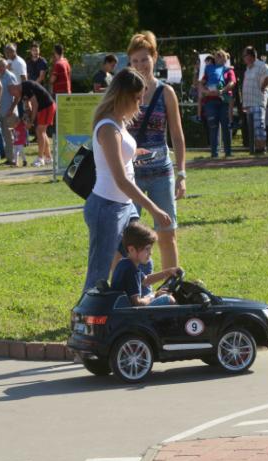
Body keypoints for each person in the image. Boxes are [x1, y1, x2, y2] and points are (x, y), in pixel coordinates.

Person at [83, 67, 171, 292]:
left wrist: (133, 155)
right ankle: (85, 320)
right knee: (99, 272)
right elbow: (120, 180)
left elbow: (119, 159)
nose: (140, 103)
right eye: (137, 97)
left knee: (143, 256)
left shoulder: (119, 122)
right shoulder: (107, 128)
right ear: (124, 96)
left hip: (125, 206)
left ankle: (143, 306)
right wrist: (154, 209)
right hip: (107, 207)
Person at [126, 31, 187, 271]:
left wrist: (181, 174)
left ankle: (170, 285)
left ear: (155, 57)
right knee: (130, 238)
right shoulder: (125, 92)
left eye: (144, 59)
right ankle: (137, 289)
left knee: (167, 233)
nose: (140, 65)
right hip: (132, 176)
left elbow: (177, 135)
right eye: (135, 61)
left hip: (162, 172)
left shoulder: (166, 93)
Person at [112, 222, 180, 306]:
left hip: (124, 309)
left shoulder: (124, 263)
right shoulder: (131, 270)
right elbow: (137, 303)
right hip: (132, 314)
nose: (150, 253)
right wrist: (154, 296)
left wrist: (168, 272)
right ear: (131, 249)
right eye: (147, 249)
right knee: (169, 299)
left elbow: (146, 280)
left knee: (158, 295)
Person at [201, 50, 236, 158]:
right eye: (217, 55)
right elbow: (201, 83)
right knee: (213, 127)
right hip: (210, 101)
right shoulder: (208, 69)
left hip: (224, 101)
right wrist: (206, 92)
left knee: (226, 126)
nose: (218, 57)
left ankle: (228, 152)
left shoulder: (229, 70)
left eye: (221, 56)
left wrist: (223, 90)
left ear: (225, 59)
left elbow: (232, 82)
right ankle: (214, 153)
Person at [241, 46, 268, 154]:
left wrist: (263, 86)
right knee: (253, 128)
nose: (243, 58)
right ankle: (256, 148)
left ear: (251, 56)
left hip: (257, 101)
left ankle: (262, 148)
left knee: (259, 126)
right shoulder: (248, 68)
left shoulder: (261, 65)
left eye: (245, 55)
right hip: (249, 103)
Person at [20, 80, 55, 166]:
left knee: (40, 131)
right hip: (45, 107)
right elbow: (28, 106)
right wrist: (28, 118)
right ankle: (49, 158)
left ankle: (40, 158)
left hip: (46, 106)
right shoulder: (23, 90)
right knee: (42, 132)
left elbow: (34, 104)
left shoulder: (25, 88)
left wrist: (31, 121)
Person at [0, 58, 20, 165]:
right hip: (1, 111)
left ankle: (13, 159)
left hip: (9, 112)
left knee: (10, 137)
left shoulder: (10, 76)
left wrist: (11, 109)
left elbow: (17, 95)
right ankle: (10, 158)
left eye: (2, 66)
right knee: (6, 136)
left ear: (6, 66)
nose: (0, 68)